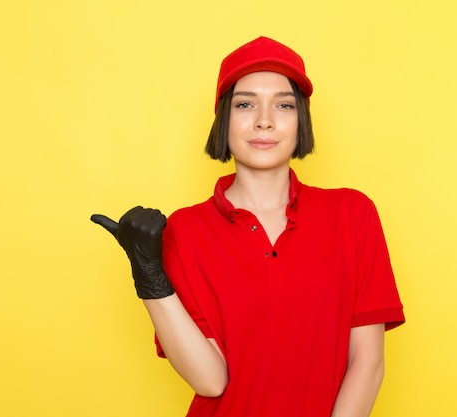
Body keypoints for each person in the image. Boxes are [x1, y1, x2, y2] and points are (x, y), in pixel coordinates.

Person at [91, 36, 405, 417]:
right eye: (245, 104)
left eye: (284, 105)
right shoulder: (183, 230)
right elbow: (210, 381)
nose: (264, 120)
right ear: (224, 120)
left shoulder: (352, 214)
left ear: (300, 119)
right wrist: (149, 277)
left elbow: (367, 364)